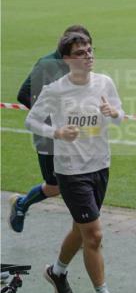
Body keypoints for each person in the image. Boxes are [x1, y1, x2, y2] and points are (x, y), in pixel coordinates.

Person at [23, 30, 127, 293]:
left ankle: (57, 272)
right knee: (93, 235)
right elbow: (30, 120)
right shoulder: (55, 90)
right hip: (71, 171)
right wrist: (55, 131)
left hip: (100, 166)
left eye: (91, 50)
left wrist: (112, 112)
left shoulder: (104, 82)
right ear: (67, 59)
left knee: (80, 231)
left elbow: (121, 115)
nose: (88, 56)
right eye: (81, 53)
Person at [9, 25, 93, 233]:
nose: (86, 54)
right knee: (56, 186)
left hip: (72, 137)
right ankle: (22, 204)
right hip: (49, 138)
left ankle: (84, 229)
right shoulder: (48, 65)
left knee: (76, 181)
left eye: (88, 49)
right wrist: (50, 120)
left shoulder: (79, 67)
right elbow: (23, 93)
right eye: (79, 49)